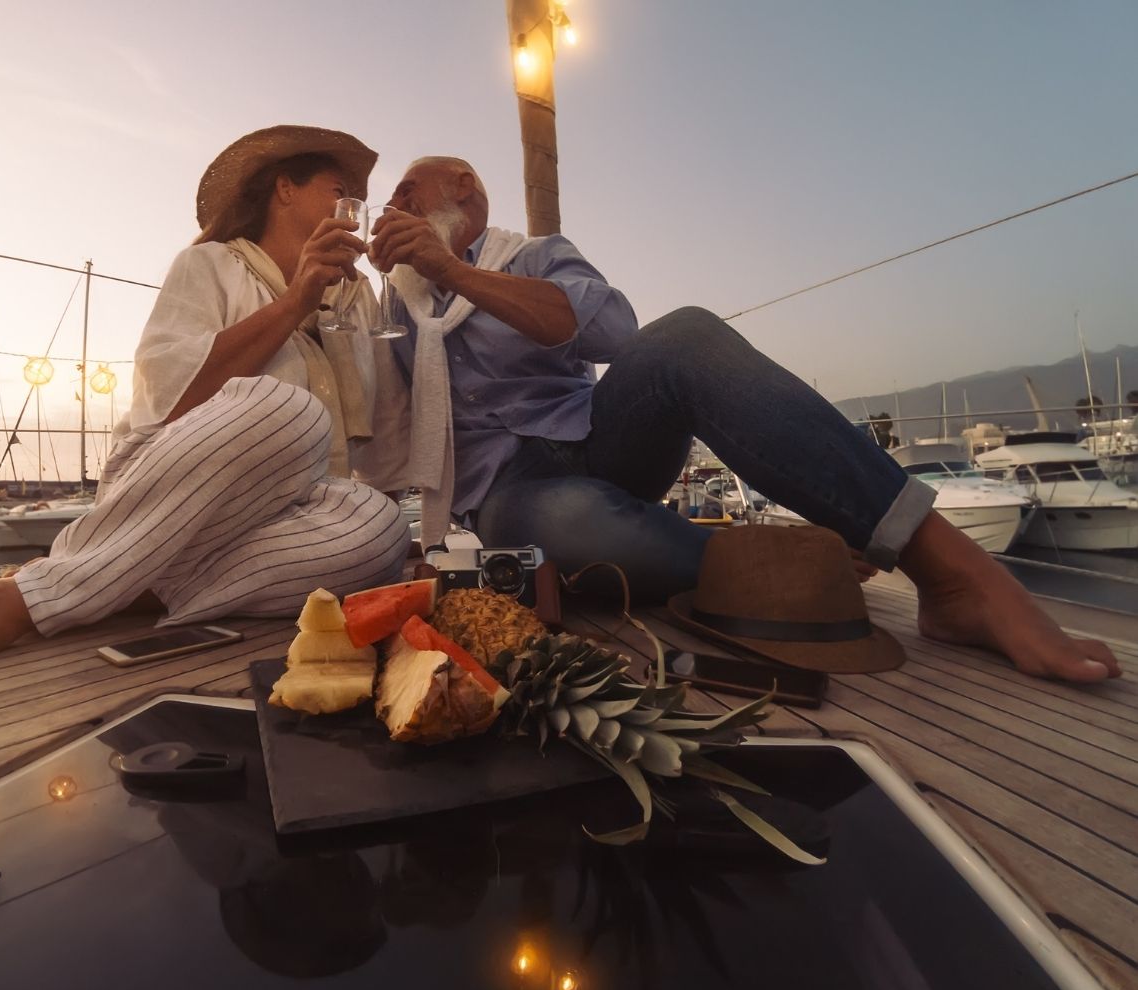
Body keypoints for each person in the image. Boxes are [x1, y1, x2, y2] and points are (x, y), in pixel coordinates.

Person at [366, 155, 1120, 684]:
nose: (393, 207)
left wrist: (453, 271)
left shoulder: (529, 257)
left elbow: (612, 336)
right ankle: (785, 562)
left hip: (601, 433)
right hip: (512, 490)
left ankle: (954, 576)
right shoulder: (395, 310)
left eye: (406, 190)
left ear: (461, 189)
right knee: (565, 524)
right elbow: (370, 416)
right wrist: (336, 296)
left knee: (685, 332)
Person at [0, 126, 411, 661]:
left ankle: (129, 588)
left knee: (385, 529)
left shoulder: (355, 297)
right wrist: (296, 299)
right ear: (285, 188)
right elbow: (172, 397)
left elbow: (387, 427)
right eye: (338, 189)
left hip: (286, 512)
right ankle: (42, 592)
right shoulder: (210, 264)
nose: (353, 207)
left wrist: (367, 522)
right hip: (170, 485)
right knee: (289, 412)